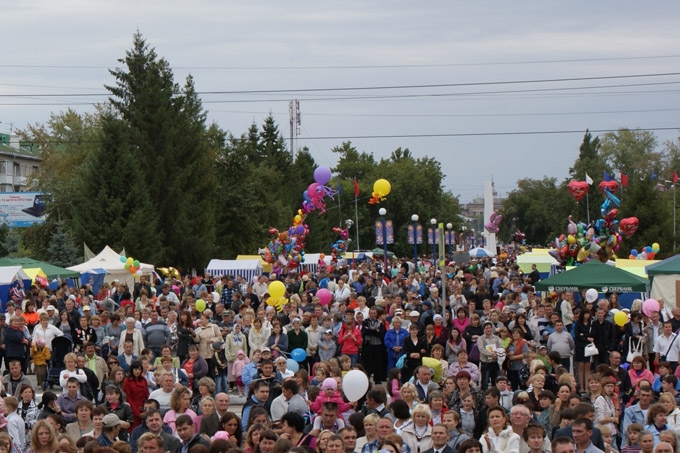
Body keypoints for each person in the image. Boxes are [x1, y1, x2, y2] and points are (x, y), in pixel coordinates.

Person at [123, 360, 149, 429]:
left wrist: (146, 410)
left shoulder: (143, 380)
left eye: (139, 369)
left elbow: (147, 395)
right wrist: (137, 413)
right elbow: (128, 398)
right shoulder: (127, 381)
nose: (137, 371)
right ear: (132, 370)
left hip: (143, 407)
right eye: (135, 369)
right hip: (132, 408)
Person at [478, 322, 503, 391]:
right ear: (484, 329)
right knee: (485, 383)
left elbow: (501, 347)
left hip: (495, 362)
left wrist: (497, 354)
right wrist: (491, 354)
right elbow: (481, 349)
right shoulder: (480, 339)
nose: (488, 329)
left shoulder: (496, 338)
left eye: (489, 328)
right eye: (486, 328)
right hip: (485, 363)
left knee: (495, 382)